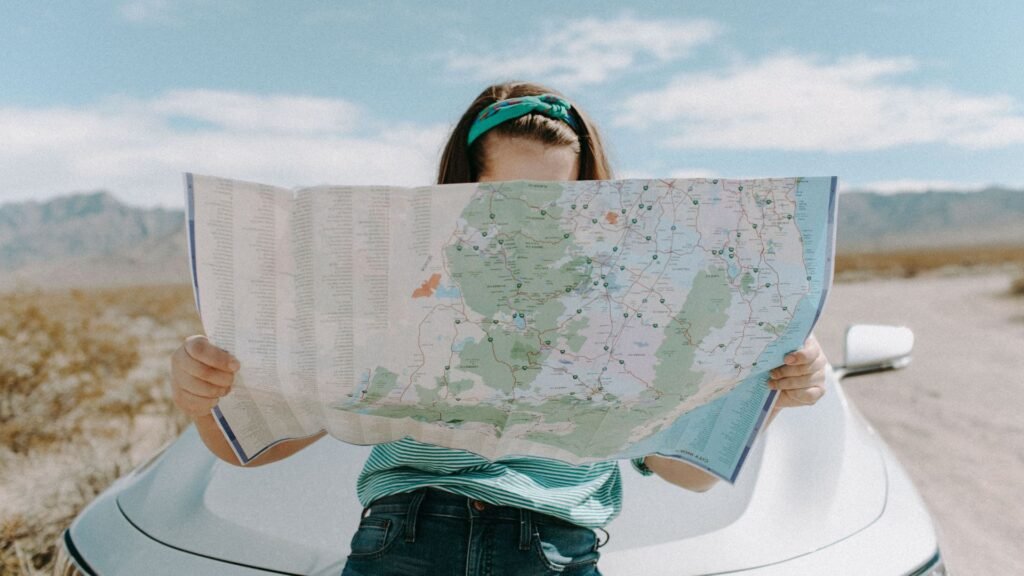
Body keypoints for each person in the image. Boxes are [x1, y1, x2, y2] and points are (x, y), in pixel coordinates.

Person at [169, 81, 829, 576]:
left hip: (554, 551)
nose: (531, 223)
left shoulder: (636, 297)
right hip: (403, 541)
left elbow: (686, 473)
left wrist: (772, 390)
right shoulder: (402, 282)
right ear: (461, 190)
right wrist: (206, 398)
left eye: (556, 203)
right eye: (506, 200)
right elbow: (253, 445)